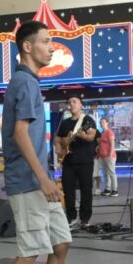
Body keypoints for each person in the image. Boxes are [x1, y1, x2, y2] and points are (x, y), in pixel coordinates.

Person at [0, 20, 87, 264]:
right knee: (30, 251)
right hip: (28, 183)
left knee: (61, 242)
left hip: (38, 180)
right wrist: (45, 179)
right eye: (46, 42)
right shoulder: (26, 83)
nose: (51, 47)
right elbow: (19, 135)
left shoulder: (26, 82)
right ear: (27, 47)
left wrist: (49, 177)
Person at [54, 96, 98, 227]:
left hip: (85, 161)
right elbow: (57, 140)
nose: (71, 104)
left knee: (86, 190)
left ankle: (85, 218)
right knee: (67, 190)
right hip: (68, 161)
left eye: (74, 102)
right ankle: (70, 216)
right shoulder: (64, 122)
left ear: (81, 105)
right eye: (69, 102)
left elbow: (92, 136)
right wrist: (58, 148)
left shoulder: (88, 120)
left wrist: (84, 136)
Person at [97, 117, 118, 196]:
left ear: (107, 123)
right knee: (105, 173)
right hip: (103, 156)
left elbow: (112, 143)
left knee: (112, 173)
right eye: (101, 122)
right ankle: (107, 189)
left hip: (109, 156)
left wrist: (110, 154)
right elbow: (100, 145)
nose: (102, 124)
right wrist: (99, 154)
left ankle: (115, 190)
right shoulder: (102, 133)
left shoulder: (109, 132)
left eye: (103, 122)